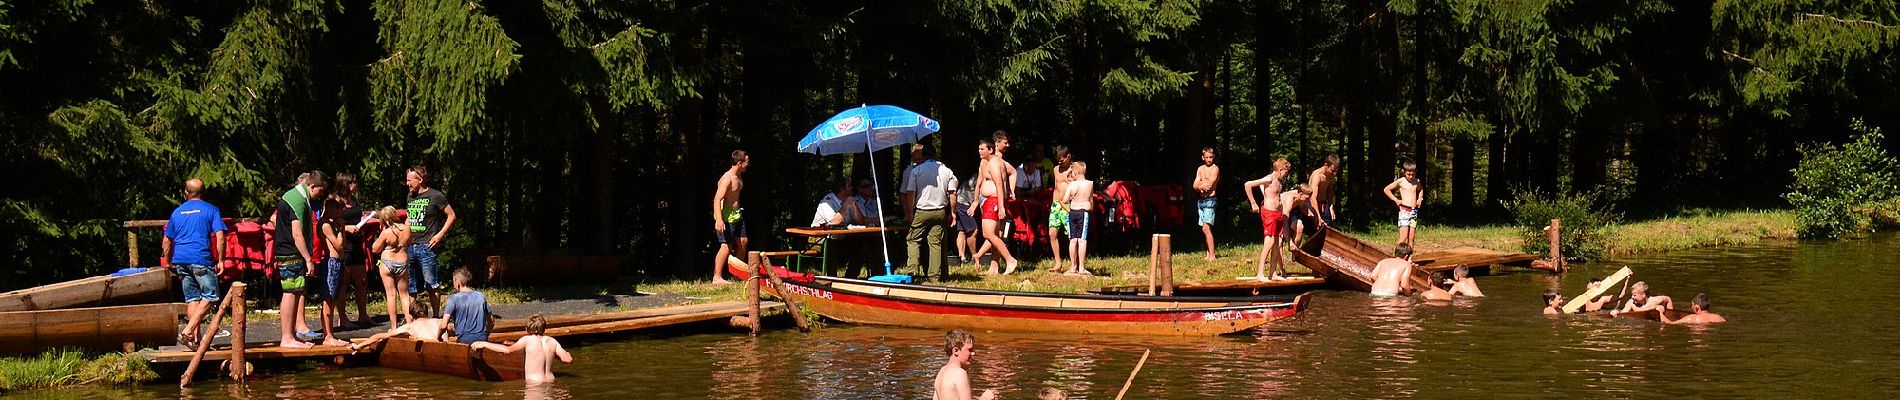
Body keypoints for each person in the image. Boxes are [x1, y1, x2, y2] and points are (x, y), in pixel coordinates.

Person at [164, 178, 226, 347]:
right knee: (211, 297)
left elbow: (167, 239)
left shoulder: (177, 213)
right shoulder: (211, 210)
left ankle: (194, 340)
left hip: (181, 260)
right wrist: (221, 259)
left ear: (186, 193)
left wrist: (169, 260)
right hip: (200, 258)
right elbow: (220, 235)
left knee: (193, 299)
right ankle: (188, 330)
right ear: (203, 192)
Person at [272, 171, 327, 349]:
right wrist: (308, 259)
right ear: (312, 186)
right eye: (320, 191)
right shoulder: (298, 201)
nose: (321, 195)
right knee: (290, 292)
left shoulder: (296, 196)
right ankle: (287, 337)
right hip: (290, 252)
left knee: (296, 291)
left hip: (290, 252)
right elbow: (297, 233)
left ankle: (291, 335)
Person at [902, 144, 958, 280]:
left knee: (913, 239)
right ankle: (935, 276)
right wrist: (953, 213)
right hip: (940, 211)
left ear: (923, 156)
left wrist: (909, 213)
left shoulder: (917, 170)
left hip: (922, 210)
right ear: (935, 155)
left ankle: (913, 271)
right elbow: (952, 193)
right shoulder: (946, 170)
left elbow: (910, 193)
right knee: (935, 242)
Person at [406, 165, 458, 307]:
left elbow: (452, 216)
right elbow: (409, 218)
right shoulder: (410, 196)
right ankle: (412, 317)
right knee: (411, 286)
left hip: (427, 246)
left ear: (420, 180)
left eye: (410, 180)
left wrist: (439, 235)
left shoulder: (436, 196)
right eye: (407, 180)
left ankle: (435, 317)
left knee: (431, 284)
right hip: (410, 245)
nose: (407, 183)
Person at [967, 134, 1019, 275]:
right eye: (978, 149)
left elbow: (999, 184)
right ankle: (993, 267)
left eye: (982, 149)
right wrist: (976, 201)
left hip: (995, 201)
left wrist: (1002, 205)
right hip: (989, 201)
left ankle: (1010, 260)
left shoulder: (995, 163)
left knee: (989, 233)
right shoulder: (985, 163)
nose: (979, 151)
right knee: (994, 234)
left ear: (990, 149)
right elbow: (979, 183)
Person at [327, 173, 373, 328]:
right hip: (343, 245)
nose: (356, 184)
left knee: (362, 281)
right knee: (343, 283)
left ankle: (363, 315)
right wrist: (346, 228)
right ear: (345, 184)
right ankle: (343, 318)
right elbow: (327, 223)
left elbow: (356, 216)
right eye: (353, 182)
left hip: (357, 244)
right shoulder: (333, 200)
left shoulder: (354, 200)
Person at [472, 315, 574, 384]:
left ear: (526, 329)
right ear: (544, 328)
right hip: (551, 381)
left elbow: (507, 350)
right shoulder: (552, 341)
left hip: (534, 383)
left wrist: (484, 343)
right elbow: (567, 359)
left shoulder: (527, 340)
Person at [1244, 158, 1293, 281]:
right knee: (1269, 241)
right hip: (1269, 213)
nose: (1286, 175)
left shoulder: (1278, 181)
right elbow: (1248, 185)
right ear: (1281, 170)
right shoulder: (1269, 178)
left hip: (1277, 214)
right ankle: (1260, 273)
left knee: (1277, 243)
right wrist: (1253, 203)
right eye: (1286, 172)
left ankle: (1273, 273)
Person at [313, 201, 353, 346]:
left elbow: (343, 245)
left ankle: (330, 334)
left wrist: (340, 228)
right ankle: (327, 335)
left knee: (334, 297)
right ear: (329, 209)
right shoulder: (325, 225)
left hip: (338, 262)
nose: (339, 214)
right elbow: (338, 245)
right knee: (328, 298)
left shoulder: (333, 224)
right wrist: (342, 229)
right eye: (337, 210)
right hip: (331, 263)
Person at [370, 206, 416, 326]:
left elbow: (375, 249)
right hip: (402, 262)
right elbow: (409, 242)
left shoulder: (386, 232)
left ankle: (394, 326)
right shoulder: (407, 229)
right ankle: (409, 323)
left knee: (391, 294)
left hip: (387, 262)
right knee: (404, 294)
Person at [710, 151, 749, 284]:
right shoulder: (727, 178)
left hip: (737, 215)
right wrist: (719, 220)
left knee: (743, 242)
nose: (748, 164)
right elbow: (717, 199)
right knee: (726, 246)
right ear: (739, 163)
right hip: (725, 216)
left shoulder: (738, 175)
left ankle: (738, 275)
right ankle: (717, 277)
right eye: (746, 162)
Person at [350, 302, 445, 352]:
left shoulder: (409, 327)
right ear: (427, 313)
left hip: (429, 350)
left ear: (411, 316)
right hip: (442, 348)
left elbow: (379, 336)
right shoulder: (439, 322)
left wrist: (360, 346)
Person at [933, 330, 997, 400]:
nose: (973, 353)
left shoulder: (941, 372)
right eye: (970, 350)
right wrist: (985, 398)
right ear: (956, 351)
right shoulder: (960, 373)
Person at [442, 268, 493, 345]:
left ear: (457, 283)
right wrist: (486, 335)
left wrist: (438, 336)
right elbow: (491, 321)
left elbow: (443, 326)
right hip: (482, 338)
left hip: (464, 339)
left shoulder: (453, 299)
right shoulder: (481, 296)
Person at [1062, 162, 1095, 276]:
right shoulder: (1089, 184)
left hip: (1072, 212)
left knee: (1073, 239)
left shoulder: (1072, 185)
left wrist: (1071, 197)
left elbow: (1065, 200)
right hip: (1083, 212)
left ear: (1075, 173)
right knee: (1082, 240)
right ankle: (1081, 267)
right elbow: (1090, 198)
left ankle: (1072, 267)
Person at [1044, 146, 1074, 271]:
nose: (1060, 162)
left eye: (1062, 160)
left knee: (1072, 236)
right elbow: (1056, 188)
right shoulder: (1056, 169)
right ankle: (1058, 263)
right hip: (1056, 205)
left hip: (1069, 205)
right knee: (1052, 233)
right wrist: (1053, 204)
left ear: (1068, 156)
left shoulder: (1074, 170)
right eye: (1058, 160)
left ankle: (1074, 263)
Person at [1381, 161, 1424, 246]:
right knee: (1403, 238)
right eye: (1408, 174)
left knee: (1411, 238)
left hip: (1414, 212)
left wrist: (1420, 199)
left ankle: (1409, 258)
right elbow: (1386, 189)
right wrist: (1396, 200)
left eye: (1413, 174)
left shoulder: (1416, 181)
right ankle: (1397, 257)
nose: (1411, 176)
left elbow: (1421, 190)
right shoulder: (1401, 181)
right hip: (1404, 211)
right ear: (1404, 172)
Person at [1192, 148, 1221, 261]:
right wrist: (1200, 186)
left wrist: (1201, 185)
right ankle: (1208, 253)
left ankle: (1212, 255)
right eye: (1207, 157)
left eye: (1211, 157)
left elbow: (1210, 184)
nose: (1209, 159)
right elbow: (1194, 184)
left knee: (1206, 227)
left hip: (1210, 200)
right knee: (1204, 228)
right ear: (1203, 157)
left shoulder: (1215, 169)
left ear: (1214, 157)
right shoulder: (1200, 169)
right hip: (1201, 201)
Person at [954, 171, 981, 265]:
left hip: (963, 201)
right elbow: (980, 193)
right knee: (973, 230)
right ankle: (975, 258)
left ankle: (961, 258)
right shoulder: (981, 176)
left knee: (962, 231)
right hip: (962, 202)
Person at [1307, 154, 1341, 227]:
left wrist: (1331, 207)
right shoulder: (1317, 175)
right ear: (1326, 165)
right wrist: (1318, 217)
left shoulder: (1331, 175)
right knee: (1315, 228)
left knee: (1328, 226)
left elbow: (1330, 191)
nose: (1334, 173)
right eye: (1332, 170)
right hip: (1313, 204)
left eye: (1336, 171)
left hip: (1324, 203)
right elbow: (1312, 198)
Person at [1660, 293, 1727, 324]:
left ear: (1697, 307)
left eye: (1692, 305)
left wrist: (1660, 313)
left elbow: (1670, 324)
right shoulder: (1719, 318)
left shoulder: (1691, 318)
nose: (1691, 307)